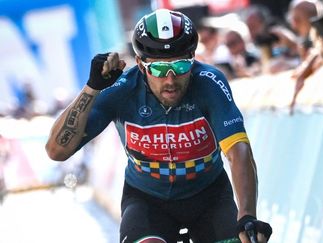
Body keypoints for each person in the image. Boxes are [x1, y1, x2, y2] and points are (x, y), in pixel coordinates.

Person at [45, 9, 272, 243]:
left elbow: (238, 151)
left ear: (193, 58)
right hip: (147, 200)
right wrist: (92, 88)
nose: (170, 79)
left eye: (181, 67)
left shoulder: (209, 83)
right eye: (159, 69)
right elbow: (56, 151)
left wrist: (247, 216)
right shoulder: (121, 90)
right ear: (142, 66)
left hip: (210, 197)